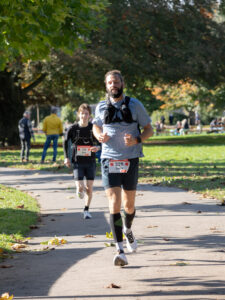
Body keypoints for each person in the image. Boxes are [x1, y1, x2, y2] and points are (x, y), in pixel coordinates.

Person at [92, 70, 153, 266]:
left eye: (116, 82)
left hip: (131, 159)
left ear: (122, 83)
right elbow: (96, 126)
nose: (113, 85)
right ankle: (119, 249)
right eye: (110, 82)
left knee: (129, 205)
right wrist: (98, 135)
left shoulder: (135, 105)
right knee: (114, 203)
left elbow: (149, 129)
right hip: (109, 159)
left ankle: (127, 229)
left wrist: (136, 139)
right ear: (106, 85)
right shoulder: (101, 106)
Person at [63, 103, 100, 219]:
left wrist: (98, 147)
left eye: (86, 114)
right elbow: (65, 142)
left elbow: (100, 140)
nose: (84, 116)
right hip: (77, 161)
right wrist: (66, 157)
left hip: (90, 161)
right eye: (82, 113)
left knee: (89, 188)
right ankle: (79, 190)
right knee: (80, 187)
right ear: (78, 114)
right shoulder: (73, 128)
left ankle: (86, 210)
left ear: (89, 115)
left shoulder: (93, 127)